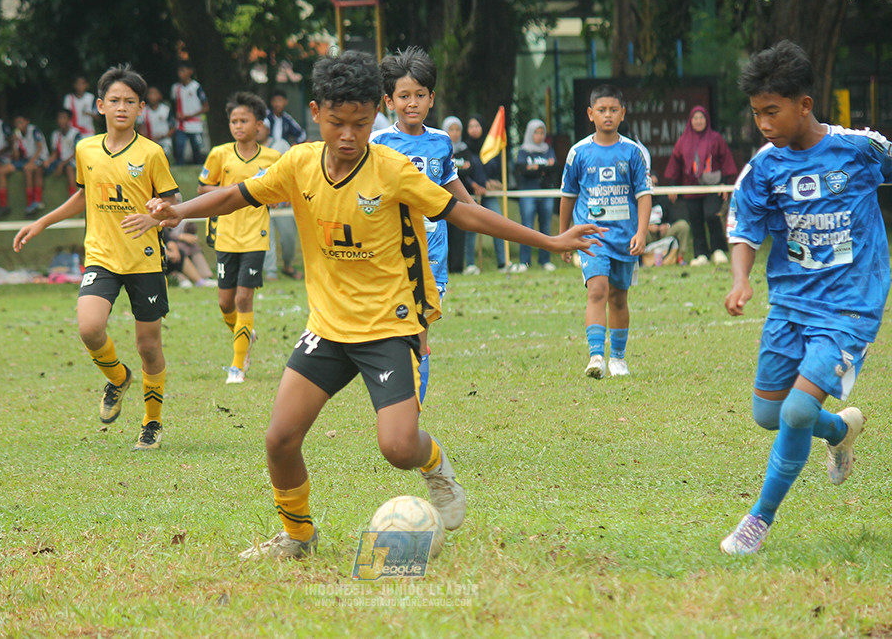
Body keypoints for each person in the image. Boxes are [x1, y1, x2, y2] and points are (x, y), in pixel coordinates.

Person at [135, 50, 604, 560]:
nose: (348, 136)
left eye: (361, 124)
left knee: (399, 448)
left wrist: (552, 241)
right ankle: (297, 536)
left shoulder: (392, 169)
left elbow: (465, 215)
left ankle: (437, 468)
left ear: (373, 117)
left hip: (388, 325)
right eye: (337, 123)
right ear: (316, 113)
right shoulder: (298, 164)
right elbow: (237, 195)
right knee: (279, 440)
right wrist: (177, 210)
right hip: (328, 329)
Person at [719, 41, 890, 555]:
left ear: (805, 105)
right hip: (790, 305)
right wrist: (740, 279)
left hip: (851, 305)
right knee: (768, 415)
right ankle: (839, 430)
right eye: (756, 114)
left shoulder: (861, 149)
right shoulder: (764, 169)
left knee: (794, 413)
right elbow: (745, 229)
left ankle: (758, 520)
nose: (764, 123)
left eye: (773, 111)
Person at [14, 64, 180, 451]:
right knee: (89, 328)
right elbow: (82, 195)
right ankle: (118, 377)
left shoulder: (152, 153)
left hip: (145, 260)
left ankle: (151, 423)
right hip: (102, 257)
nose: (122, 107)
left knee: (149, 347)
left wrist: (155, 211)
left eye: (130, 102)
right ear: (100, 105)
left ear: (141, 108)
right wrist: (44, 221)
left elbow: (172, 202)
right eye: (115, 101)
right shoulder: (86, 149)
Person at [371, 46, 478, 404]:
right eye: (404, 96)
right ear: (389, 101)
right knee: (395, 331)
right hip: (391, 250)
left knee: (420, 330)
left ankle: (411, 408)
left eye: (419, 95)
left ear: (431, 99)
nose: (412, 103)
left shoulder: (441, 141)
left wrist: (473, 210)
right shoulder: (378, 143)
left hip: (433, 251)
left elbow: (449, 180)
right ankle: (398, 403)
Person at [558, 84, 652, 379]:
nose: (607, 115)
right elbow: (567, 196)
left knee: (619, 298)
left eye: (613, 110)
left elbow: (644, 195)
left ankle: (618, 358)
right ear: (590, 114)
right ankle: (596, 356)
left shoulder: (633, 153)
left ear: (622, 113)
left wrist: (642, 232)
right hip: (592, 238)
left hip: (624, 239)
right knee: (597, 290)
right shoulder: (579, 153)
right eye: (601, 110)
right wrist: (564, 236)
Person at [197, 92, 281, 383]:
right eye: (234, 121)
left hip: (256, 238)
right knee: (225, 303)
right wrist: (233, 191)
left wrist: (273, 197)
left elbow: (283, 192)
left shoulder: (273, 158)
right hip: (226, 236)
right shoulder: (220, 154)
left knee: (245, 298)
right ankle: (244, 334)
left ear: (259, 125)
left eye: (244, 120)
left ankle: (237, 365)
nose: (238, 125)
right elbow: (202, 189)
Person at [663, 105, 737, 266]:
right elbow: (675, 162)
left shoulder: (715, 138)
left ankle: (717, 250)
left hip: (713, 186)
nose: (698, 121)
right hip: (691, 186)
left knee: (712, 215)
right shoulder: (683, 140)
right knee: (695, 220)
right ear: (691, 121)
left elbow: (725, 160)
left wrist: (725, 184)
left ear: (706, 120)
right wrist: (673, 186)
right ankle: (700, 254)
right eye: (695, 118)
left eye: (701, 118)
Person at [257, 119, 301, 281]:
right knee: (266, 236)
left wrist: (290, 192)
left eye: (263, 128)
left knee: (289, 236)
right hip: (261, 200)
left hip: (282, 201)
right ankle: (270, 271)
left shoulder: (280, 145)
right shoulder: (249, 150)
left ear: (268, 130)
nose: (259, 131)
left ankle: (288, 265)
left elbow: (292, 169)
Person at [514, 119, 559, 272]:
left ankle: (544, 260)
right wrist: (543, 167)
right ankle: (524, 261)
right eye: (536, 133)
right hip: (528, 192)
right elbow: (523, 169)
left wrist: (535, 167)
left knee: (545, 226)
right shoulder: (523, 150)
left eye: (541, 133)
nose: (539, 136)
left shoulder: (548, 149)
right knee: (527, 226)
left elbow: (554, 167)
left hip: (546, 192)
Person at [465, 114, 508, 271]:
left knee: (498, 223)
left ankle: (503, 263)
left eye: (477, 126)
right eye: (471, 126)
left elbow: (495, 169)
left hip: (488, 194)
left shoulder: (490, 147)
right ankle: (470, 264)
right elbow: (461, 172)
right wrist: (473, 185)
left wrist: (490, 182)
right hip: (469, 194)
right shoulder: (464, 148)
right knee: (471, 229)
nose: (474, 130)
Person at [442, 115, 482, 274]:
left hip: (460, 197)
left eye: (457, 129)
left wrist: (460, 169)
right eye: (451, 129)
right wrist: (461, 167)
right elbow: (445, 170)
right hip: (443, 195)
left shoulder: (465, 149)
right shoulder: (441, 147)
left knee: (459, 232)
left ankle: (457, 268)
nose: (455, 133)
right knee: (443, 234)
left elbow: (470, 168)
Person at [171, 61, 209, 164]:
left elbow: (206, 107)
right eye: (179, 71)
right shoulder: (176, 88)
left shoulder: (196, 87)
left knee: (197, 150)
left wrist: (189, 115)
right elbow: (174, 104)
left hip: (195, 124)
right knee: (179, 149)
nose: (180, 74)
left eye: (183, 71)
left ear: (190, 72)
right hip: (181, 124)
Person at [12, 113, 48, 218]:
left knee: (28, 169)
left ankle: (33, 201)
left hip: (40, 157)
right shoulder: (17, 134)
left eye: (20, 122)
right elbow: (16, 156)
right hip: (26, 159)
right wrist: (14, 144)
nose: (18, 125)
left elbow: (40, 148)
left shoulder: (34, 130)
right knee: (4, 169)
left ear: (27, 122)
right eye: (16, 123)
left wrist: (31, 161)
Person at [44, 109, 82, 197]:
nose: (61, 121)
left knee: (69, 169)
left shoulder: (75, 133)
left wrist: (62, 164)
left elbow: (76, 152)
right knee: (43, 167)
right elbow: (55, 152)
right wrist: (48, 161)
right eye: (59, 118)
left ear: (69, 120)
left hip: (73, 160)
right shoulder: (55, 134)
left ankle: (72, 196)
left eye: (63, 118)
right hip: (60, 160)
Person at [137, 85, 174, 158]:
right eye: (150, 94)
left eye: (154, 94)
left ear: (160, 96)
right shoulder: (143, 111)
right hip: (148, 143)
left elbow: (172, 128)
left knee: (163, 154)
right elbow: (140, 129)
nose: (151, 96)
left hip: (164, 142)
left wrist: (162, 136)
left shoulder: (166, 110)